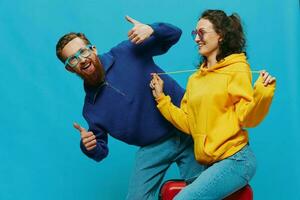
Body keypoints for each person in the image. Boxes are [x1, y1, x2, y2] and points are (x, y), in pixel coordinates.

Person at [55, 16, 203, 200]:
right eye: (73, 59)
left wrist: (152, 29)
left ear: (93, 49)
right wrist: (89, 146)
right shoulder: (91, 109)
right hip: (153, 147)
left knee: (205, 189)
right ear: (70, 69)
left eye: (83, 52)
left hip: (188, 126)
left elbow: (174, 34)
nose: (82, 60)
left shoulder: (126, 51)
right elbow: (101, 151)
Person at [150, 9, 276, 199]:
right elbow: (189, 123)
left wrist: (263, 93)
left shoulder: (237, 68)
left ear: (221, 36)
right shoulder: (195, 79)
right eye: (195, 33)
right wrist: (161, 99)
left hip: (237, 160)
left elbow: (247, 118)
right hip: (210, 164)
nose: (196, 39)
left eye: (202, 32)